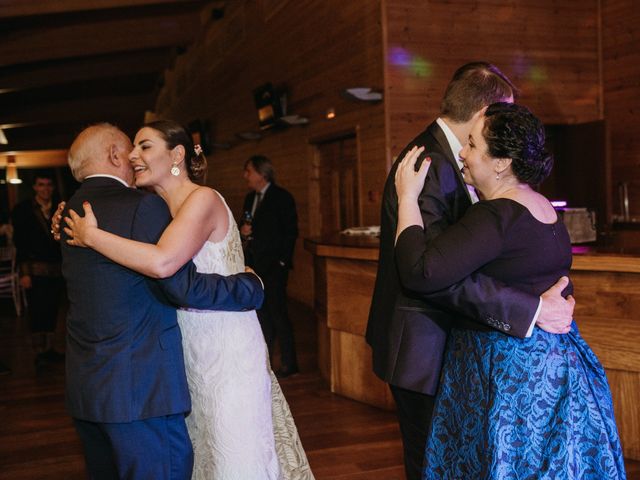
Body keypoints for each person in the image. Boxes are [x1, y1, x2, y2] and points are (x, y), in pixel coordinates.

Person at [63, 121, 313, 479]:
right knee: (201, 453)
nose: (134, 155)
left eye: (145, 146)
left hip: (224, 345)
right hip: (186, 351)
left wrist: (93, 236)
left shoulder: (203, 199)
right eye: (132, 148)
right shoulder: (152, 206)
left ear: (177, 154)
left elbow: (165, 264)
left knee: (233, 452)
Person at [366, 62, 575, 480]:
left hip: (460, 345)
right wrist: (529, 308)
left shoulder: (462, 164)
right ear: (484, 112)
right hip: (425, 346)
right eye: (503, 114)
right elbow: (429, 273)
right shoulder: (428, 164)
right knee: (433, 464)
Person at [395, 102, 625, 479]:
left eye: (471, 144)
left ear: (501, 162)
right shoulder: (542, 206)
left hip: (507, 370)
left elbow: (421, 273)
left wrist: (407, 198)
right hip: (550, 365)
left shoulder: (497, 214)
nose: (463, 153)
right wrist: (534, 307)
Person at [240, 155, 299, 378]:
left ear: (261, 174)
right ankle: (266, 362)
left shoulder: (282, 198)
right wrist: (244, 233)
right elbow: (246, 224)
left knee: (278, 314)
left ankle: (289, 363)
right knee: (261, 316)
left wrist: (283, 261)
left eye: (249, 171)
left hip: (275, 266)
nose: (246, 176)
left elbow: (291, 232)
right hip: (255, 266)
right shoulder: (249, 199)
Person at [11, 172, 65, 365]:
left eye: (49, 185)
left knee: (53, 309)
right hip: (34, 269)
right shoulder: (22, 210)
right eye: (41, 185)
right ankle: (39, 352)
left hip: (57, 269)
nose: (45, 189)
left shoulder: (60, 207)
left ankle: (49, 349)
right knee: (37, 310)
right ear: (34, 187)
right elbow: (20, 243)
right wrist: (24, 273)